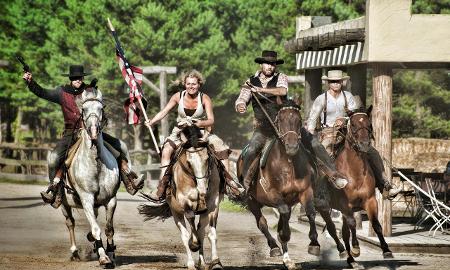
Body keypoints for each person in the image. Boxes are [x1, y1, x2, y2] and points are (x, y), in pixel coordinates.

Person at [23, 65, 144, 208]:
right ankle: (55, 191)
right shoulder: (61, 92)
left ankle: (129, 180)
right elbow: (42, 92)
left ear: (82, 78)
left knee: (121, 146)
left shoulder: (91, 91)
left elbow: (101, 112)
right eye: (75, 78)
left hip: (92, 131)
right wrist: (30, 82)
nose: (77, 80)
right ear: (70, 79)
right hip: (71, 133)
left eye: (80, 78)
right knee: (54, 158)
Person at [235, 50, 348, 191]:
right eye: (267, 63)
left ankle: (334, 175)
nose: (270, 66)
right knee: (251, 150)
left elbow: (282, 91)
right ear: (261, 64)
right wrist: (240, 105)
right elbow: (242, 98)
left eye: (273, 64)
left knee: (315, 144)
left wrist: (260, 90)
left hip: (287, 125)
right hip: (264, 128)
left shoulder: (281, 77)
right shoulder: (250, 82)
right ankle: (244, 184)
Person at [146, 70, 243, 203]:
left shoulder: (204, 98)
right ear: (184, 84)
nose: (191, 86)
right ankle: (162, 186)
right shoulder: (177, 96)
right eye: (188, 84)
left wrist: (201, 123)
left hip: (201, 131)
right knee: (166, 150)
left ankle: (229, 183)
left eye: (194, 84)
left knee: (221, 147)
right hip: (180, 131)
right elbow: (164, 112)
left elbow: (211, 120)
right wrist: (151, 121)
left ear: (199, 85)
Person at [306, 69, 399, 196]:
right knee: (325, 153)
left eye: (338, 81)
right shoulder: (322, 99)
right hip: (328, 132)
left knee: (372, 151)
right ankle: (321, 189)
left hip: (348, 130)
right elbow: (312, 118)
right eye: (333, 81)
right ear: (328, 83)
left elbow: (353, 114)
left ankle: (384, 184)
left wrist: (343, 119)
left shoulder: (348, 96)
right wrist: (311, 133)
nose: (336, 84)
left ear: (342, 82)